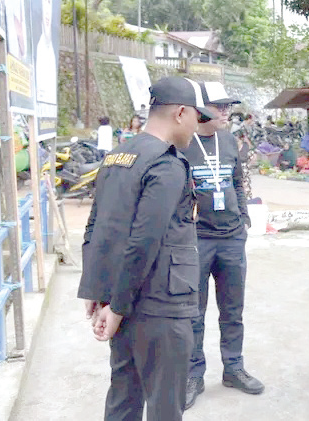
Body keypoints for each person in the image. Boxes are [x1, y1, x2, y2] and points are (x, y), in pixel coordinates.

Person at [77, 76, 215, 421]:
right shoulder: (166, 164)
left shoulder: (116, 157)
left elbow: (98, 225)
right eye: (196, 120)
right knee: (164, 405)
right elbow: (144, 241)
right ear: (180, 113)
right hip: (161, 307)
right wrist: (118, 306)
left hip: (122, 298)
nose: (196, 130)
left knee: (123, 398)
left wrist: (99, 291)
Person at [182, 81, 265, 410]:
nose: (227, 111)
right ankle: (194, 375)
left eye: (228, 106)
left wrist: (243, 217)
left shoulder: (229, 140)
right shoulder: (183, 143)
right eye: (220, 106)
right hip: (198, 239)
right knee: (194, 313)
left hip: (231, 239)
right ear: (201, 109)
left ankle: (233, 369)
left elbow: (236, 181)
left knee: (233, 311)